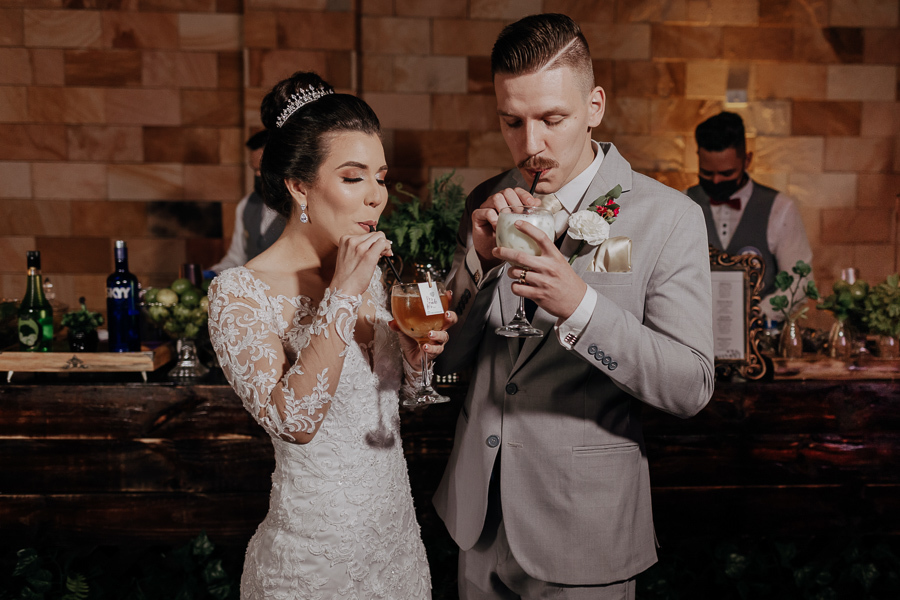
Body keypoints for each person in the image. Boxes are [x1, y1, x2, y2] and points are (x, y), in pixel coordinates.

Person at [433, 14, 715, 599]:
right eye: (512, 121)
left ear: (594, 106)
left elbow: (690, 386)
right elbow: (445, 364)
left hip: (583, 526)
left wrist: (581, 306)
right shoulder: (488, 200)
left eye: (552, 119)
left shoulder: (669, 218)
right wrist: (478, 266)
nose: (530, 146)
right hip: (478, 521)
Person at [207, 71, 455, 599]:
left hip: (396, 548)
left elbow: (395, 404)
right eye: (353, 177)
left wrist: (417, 361)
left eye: (380, 177)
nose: (376, 197)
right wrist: (341, 293)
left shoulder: (377, 277)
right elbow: (294, 423)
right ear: (299, 185)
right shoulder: (240, 293)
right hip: (313, 562)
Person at [686, 111, 814, 318]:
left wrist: (755, 317)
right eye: (707, 173)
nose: (716, 181)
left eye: (726, 173)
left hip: (761, 331)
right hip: (695, 328)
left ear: (747, 160)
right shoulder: (682, 203)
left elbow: (799, 283)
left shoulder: (780, 207)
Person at [208, 130, 285, 274]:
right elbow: (236, 258)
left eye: (262, 169)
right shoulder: (246, 204)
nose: (258, 175)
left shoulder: (300, 207)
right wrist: (214, 272)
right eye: (254, 170)